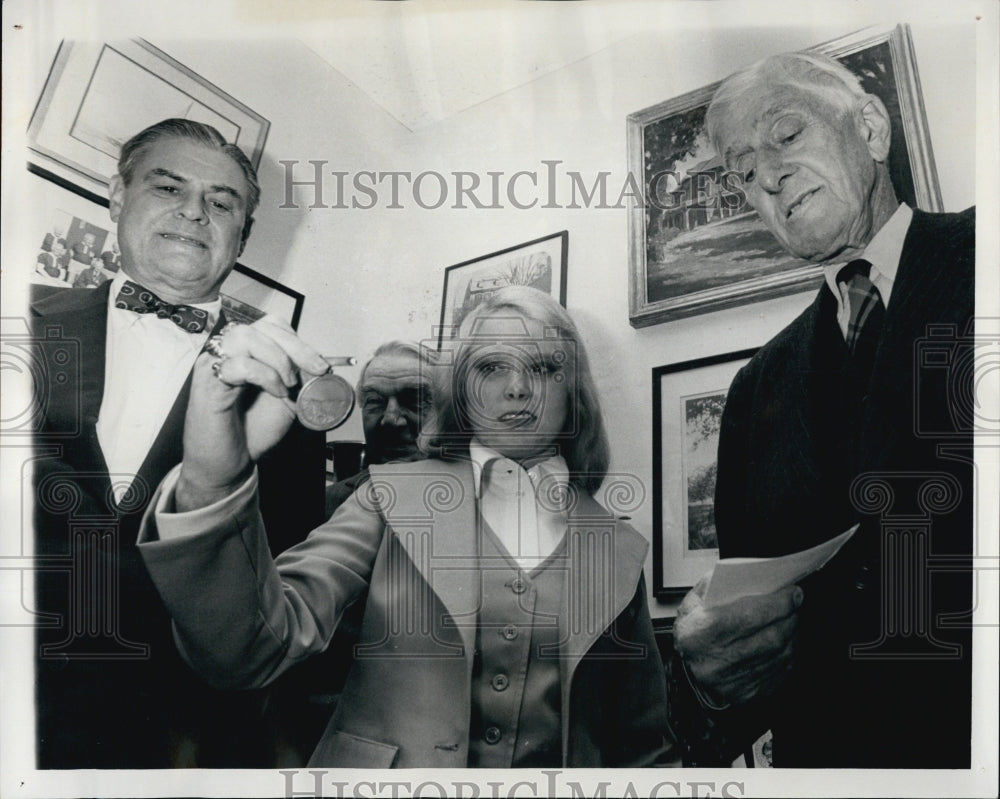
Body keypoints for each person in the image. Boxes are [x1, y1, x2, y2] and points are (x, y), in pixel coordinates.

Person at [137, 286, 677, 768]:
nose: (517, 389)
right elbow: (253, 645)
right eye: (491, 367)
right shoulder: (387, 497)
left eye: (541, 367)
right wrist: (213, 474)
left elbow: (644, 747)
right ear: (460, 388)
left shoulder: (617, 546)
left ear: (573, 388)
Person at [670, 52, 974, 768]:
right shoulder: (754, 387)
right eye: (744, 171)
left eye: (786, 135)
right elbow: (750, 633)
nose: (768, 177)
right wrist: (712, 678)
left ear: (869, 127)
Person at [29, 118, 327, 769]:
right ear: (115, 196)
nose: (195, 213)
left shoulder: (287, 385)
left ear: (242, 234)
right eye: (169, 187)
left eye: (222, 203)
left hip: (179, 734)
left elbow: (280, 591)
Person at [325, 340, 436, 517]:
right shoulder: (330, 504)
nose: (390, 419)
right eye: (375, 401)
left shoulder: (483, 498)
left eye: (415, 399)